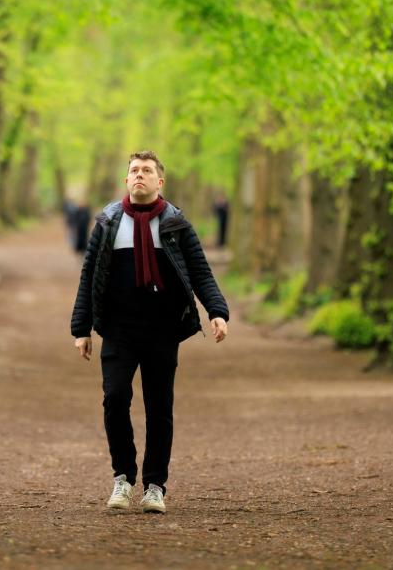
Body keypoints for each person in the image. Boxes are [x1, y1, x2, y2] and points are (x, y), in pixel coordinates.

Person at [70, 150, 229, 514]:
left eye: (147, 171)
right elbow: (89, 275)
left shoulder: (176, 224)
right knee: (114, 399)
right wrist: (82, 329)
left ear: (160, 182)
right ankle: (123, 478)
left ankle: (155, 485)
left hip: (162, 330)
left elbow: (200, 272)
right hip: (119, 329)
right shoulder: (108, 223)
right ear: (126, 180)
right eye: (134, 171)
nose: (139, 175)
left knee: (160, 409)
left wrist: (217, 311)